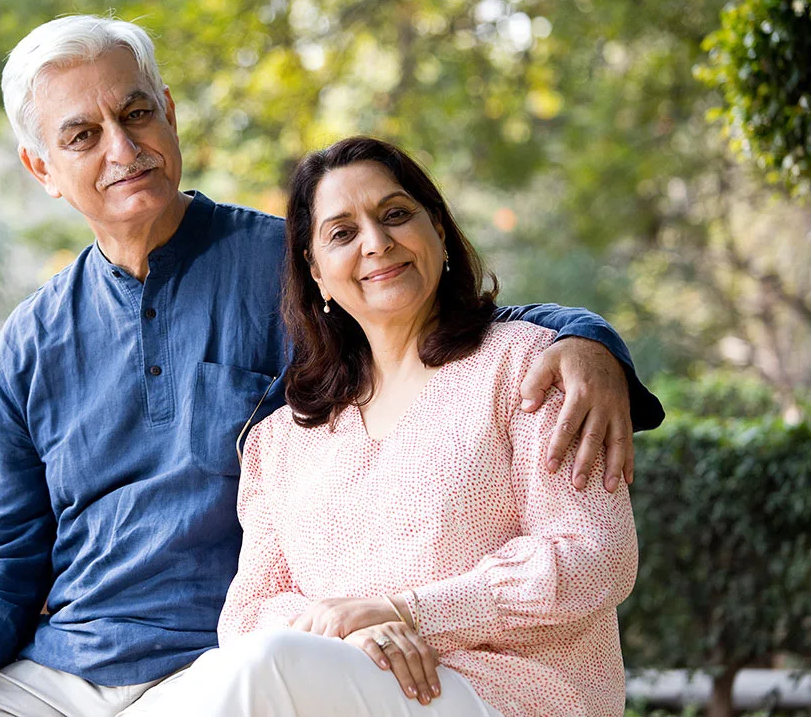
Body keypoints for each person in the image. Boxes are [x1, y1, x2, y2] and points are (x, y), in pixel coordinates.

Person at [0, 16, 663, 717]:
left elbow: (429, 319)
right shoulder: (28, 342)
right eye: (82, 135)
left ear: (170, 115)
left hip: (219, 662)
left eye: (137, 112)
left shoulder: (281, 264)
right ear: (42, 169)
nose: (122, 148)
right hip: (63, 668)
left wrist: (588, 339)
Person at [134, 136, 638, 717]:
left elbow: (595, 556)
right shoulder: (281, 440)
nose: (377, 243)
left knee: (265, 668)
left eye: (396, 215)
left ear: (439, 232)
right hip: (339, 684)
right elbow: (249, 613)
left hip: (506, 694)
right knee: (217, 676)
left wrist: (410, 612)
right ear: (316, 272)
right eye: (342, 232)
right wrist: (345, 633)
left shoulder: (529, 368)